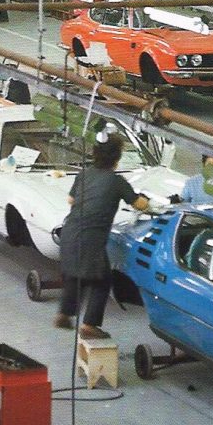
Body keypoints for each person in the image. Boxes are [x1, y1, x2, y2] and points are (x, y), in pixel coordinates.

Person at [55, 134, 149, 339]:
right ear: (117, 158)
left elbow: (71, 200)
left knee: (74, 275)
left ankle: (65, 313)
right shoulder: (117, 182)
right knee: (102, 280)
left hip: (69, 232)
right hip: (91, 238)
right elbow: (139, 205)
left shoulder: (84, 175)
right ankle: (89, 324)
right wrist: (148, 201)